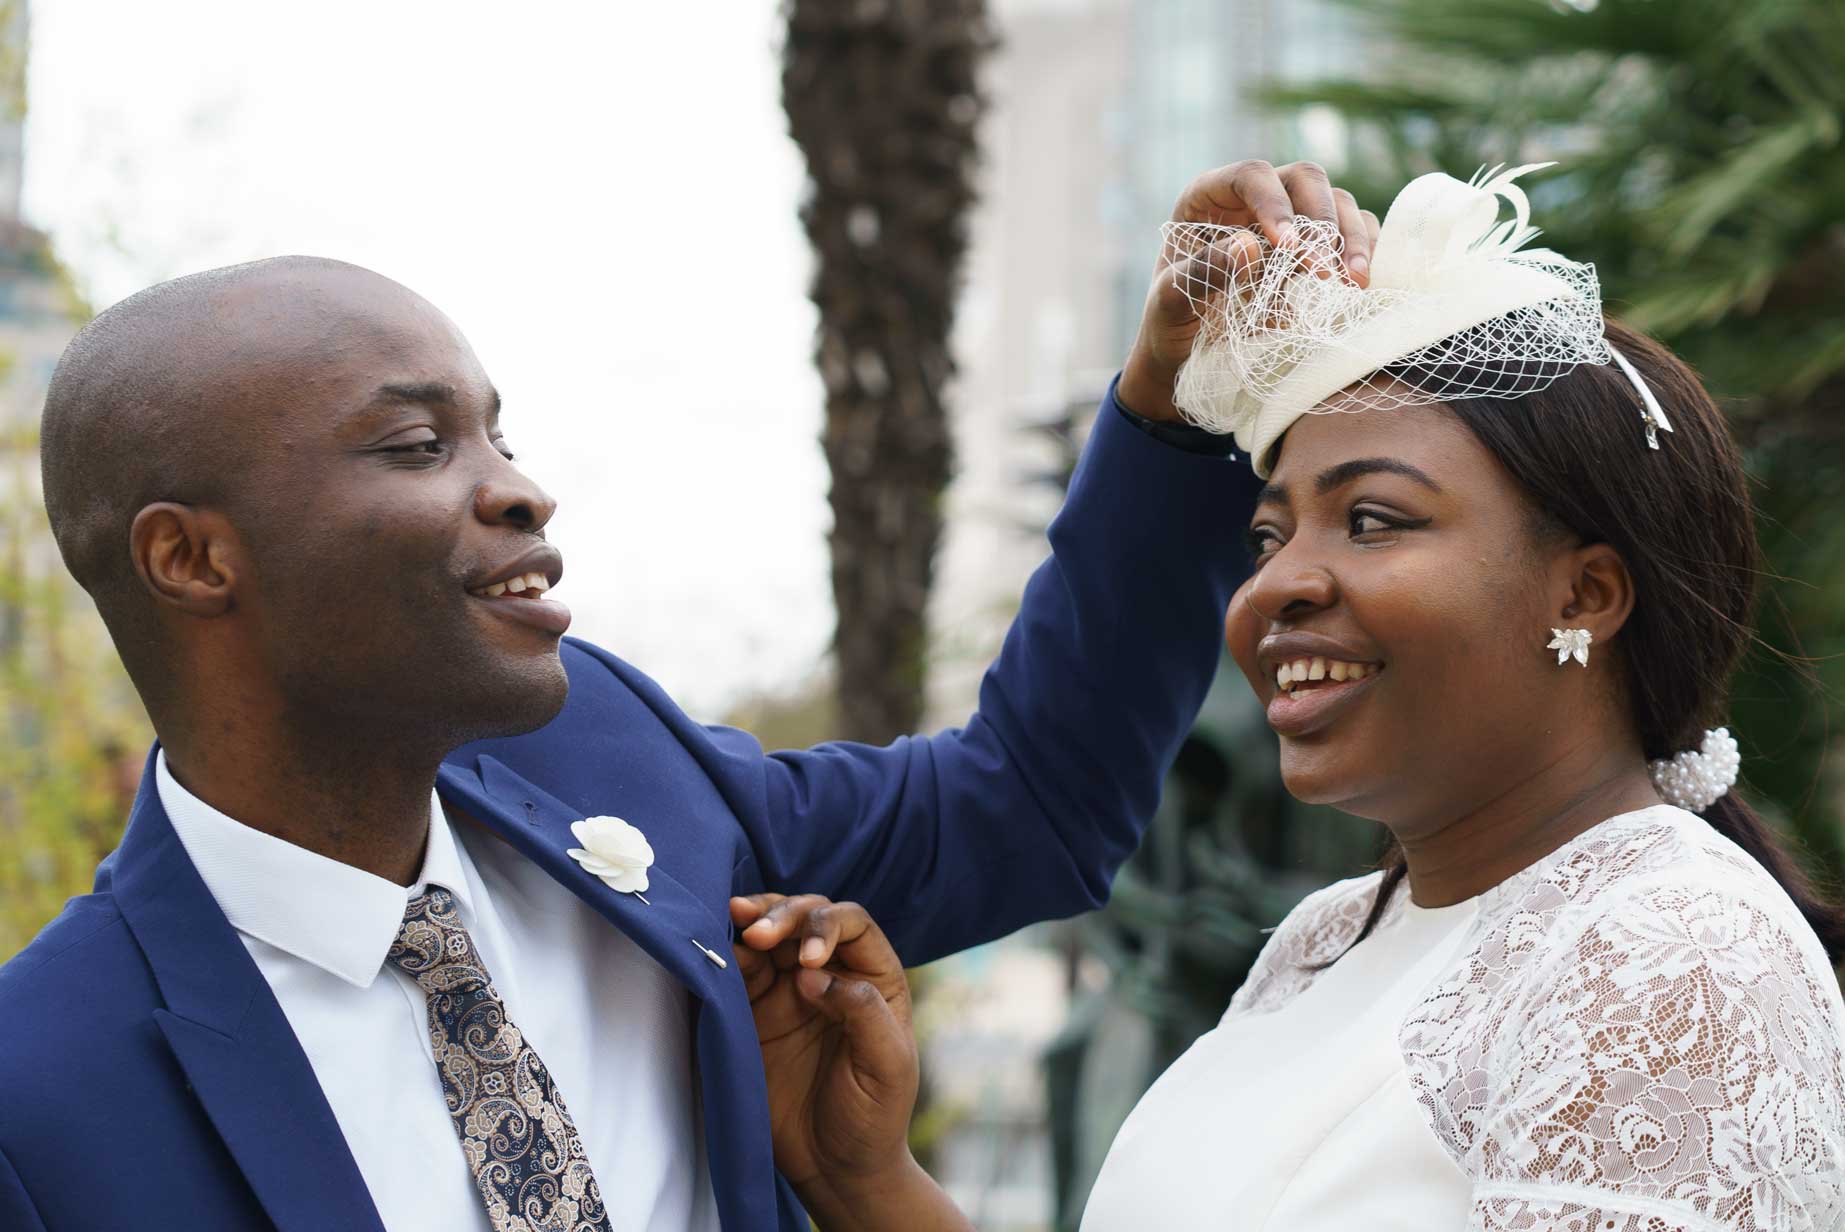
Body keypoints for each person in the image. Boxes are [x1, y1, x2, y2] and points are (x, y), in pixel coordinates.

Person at [0, 161, 1374, 1231]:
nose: (516, 486)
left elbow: (1032, 806)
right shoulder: (44, 1093)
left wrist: (1176, 408)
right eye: (419, 443)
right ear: (191, 558)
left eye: (501, 431)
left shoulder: (611, 754)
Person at [730, 166, 1845, 1231]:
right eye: (1269, 533)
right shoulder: (1325, 937)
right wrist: (861, 1178)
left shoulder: (1673, 950)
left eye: (1372, 519)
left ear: (1588, 591)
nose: (1275, 584)